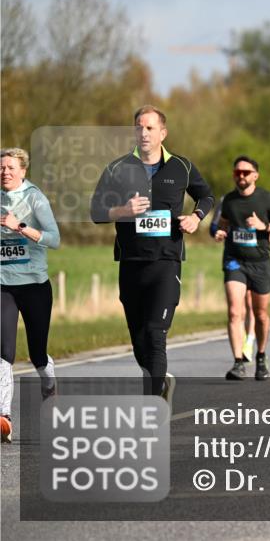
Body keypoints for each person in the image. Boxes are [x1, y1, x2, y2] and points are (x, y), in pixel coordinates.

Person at [91, 106, 214, 403]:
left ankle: (153, 406)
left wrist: (196, 217)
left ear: (163, 133)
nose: (143, 133)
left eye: (149, 128)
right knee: (139, 341)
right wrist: (123, 211)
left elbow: (207, 195)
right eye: (138, 128)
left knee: (156, 335)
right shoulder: (117, 168)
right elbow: (96, 212)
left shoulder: (181, 166)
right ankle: (159, 383)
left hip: (166, 261)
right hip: (131, 263)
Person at [1, 148, 60, 444]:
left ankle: (49, 388)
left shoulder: (35, 198)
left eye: (10, 168)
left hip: (35, 284)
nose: (5, 172)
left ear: (23, 171)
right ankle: (4, 417)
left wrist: (20, 227)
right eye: (1, 168)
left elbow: (54, 239)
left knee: (37, 353)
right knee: (3, 351)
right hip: (3, 285)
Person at [214, 156, 270, 381]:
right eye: (237, 172)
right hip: (235, 260)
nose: (241, 176)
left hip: (260, 262)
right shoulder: (229, 200)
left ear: (255, 175)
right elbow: (224, 223)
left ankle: (261, 356)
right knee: (235, 311)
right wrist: (221, 232)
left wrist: (263, 226)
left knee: (261, 314)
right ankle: (238, 363)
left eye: (246, 172)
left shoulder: (266, 199)